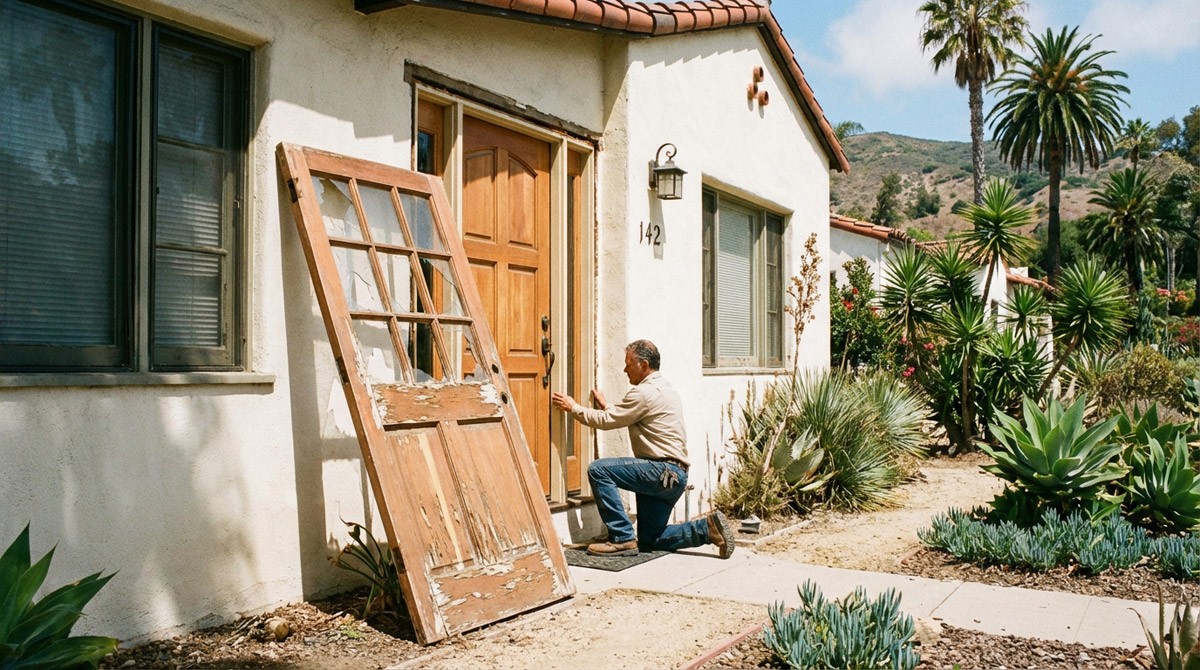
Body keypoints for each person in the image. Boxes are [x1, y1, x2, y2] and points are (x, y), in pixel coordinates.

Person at [551, 339, 735, 558]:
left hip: (659, 472)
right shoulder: (665, 388)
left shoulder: (643, 393)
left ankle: (621, 538)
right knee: (651, 539)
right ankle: (707, 529)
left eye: (629, 364)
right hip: (676, 476)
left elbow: (608, 421)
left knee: (599, 470)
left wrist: (574, 408)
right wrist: (608, 406)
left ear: (644, 364)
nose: (625, 369)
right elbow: (629, 413)